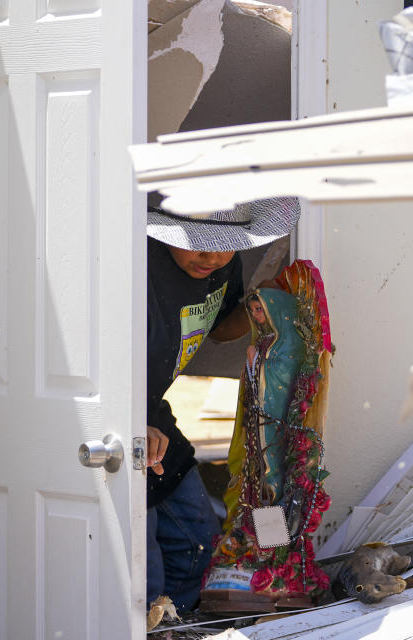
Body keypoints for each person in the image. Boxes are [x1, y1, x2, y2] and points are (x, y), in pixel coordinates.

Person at [145, 195, 300, 611]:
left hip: (153, 409)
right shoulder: (137, 267)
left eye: (225, 242)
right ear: (163, 232)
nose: (211, 255)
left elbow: (217, 330)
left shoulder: (219, 265)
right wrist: (126, 419)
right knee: (141, 574)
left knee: (197, 544)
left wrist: (260, 308)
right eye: (197, 241)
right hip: (116, 418)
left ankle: (175, 631)